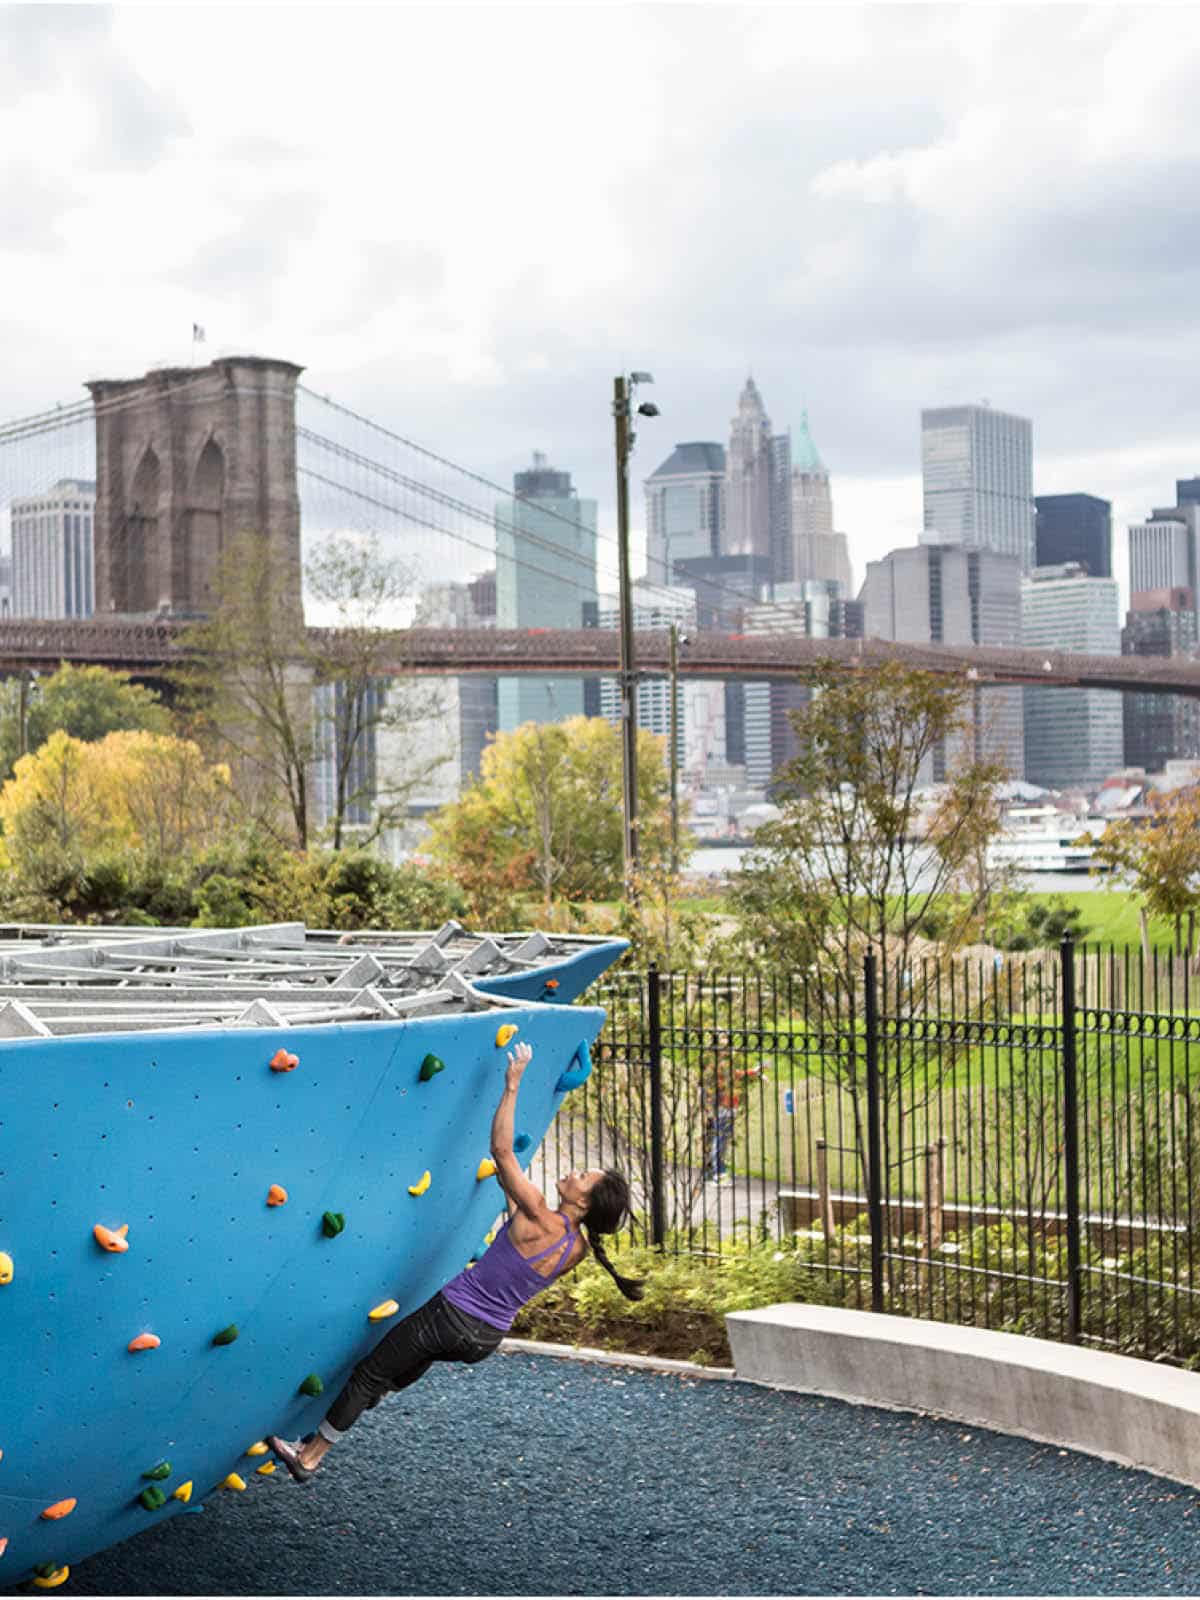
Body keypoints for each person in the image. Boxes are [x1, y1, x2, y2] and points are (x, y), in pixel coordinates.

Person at [269, 1040, 643, 1482]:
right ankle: (376, 1393)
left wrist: (513, 1083)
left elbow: (503, 1153)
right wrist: (507, 1177)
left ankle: (309, 1456)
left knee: (369, 1374)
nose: (575, 1172)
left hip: (451, 1317)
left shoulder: (541, 1212)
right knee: (397, 1370)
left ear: (583, 1201)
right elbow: (515, 1220)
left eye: (583, 1177)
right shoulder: (575, 1249)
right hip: (484, 1339)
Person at [704, 1050, 767, 1184]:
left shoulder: (724, 1067)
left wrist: (755, 1072)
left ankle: (717, 1173)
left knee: (722, 1141)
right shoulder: (718, 1067)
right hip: (723, 1109)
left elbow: (737, 1074)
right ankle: (718, 1174)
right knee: (720, 1141)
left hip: (728, 1108)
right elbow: (731, 1077)